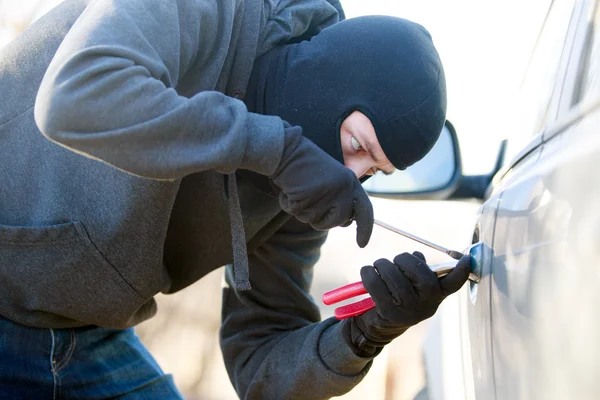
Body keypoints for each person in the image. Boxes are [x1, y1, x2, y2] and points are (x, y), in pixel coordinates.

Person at [0, 0, 471, 398]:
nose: (350, 175)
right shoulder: (207, 11)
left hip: (85, 336)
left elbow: (258, 360)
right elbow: (75, 96)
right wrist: (276, 151)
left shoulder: (304, 187)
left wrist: (361, 334)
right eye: (357, 147)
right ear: (326, 79)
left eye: (372, 171)